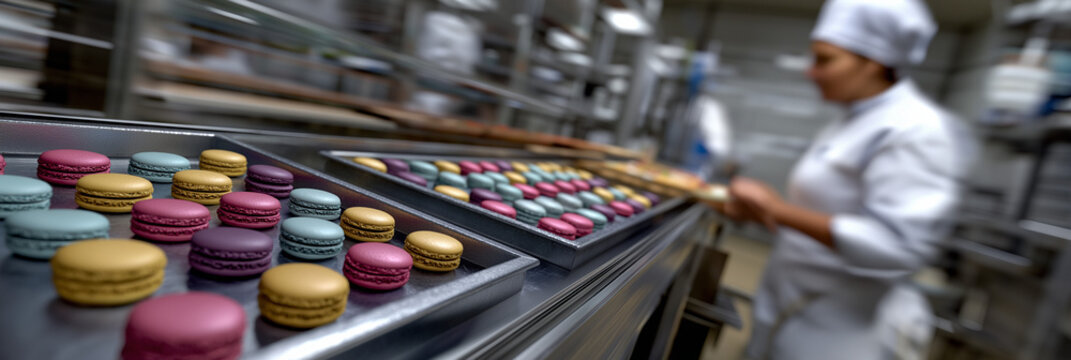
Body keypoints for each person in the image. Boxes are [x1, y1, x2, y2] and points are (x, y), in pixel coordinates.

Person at [721, 1, 976, 359]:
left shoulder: (917, 129)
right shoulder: (851, 120)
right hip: (793, 305)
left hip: (839, 334)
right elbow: (828, 211)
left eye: (825, 60)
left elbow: (896, 246)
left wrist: (779, 210)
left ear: (872, 61)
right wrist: (764, 213)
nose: (812, 72)